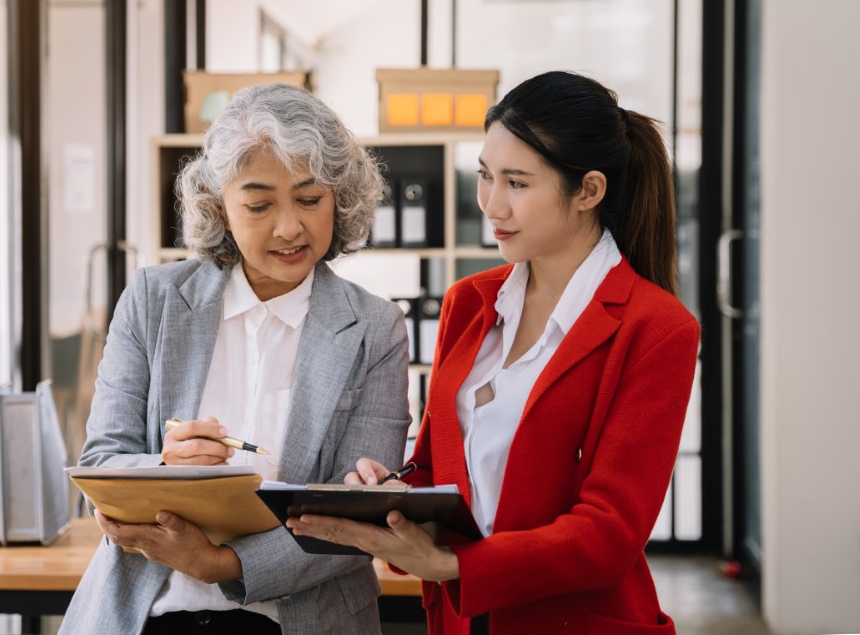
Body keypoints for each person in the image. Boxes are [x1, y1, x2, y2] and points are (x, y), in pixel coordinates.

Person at [287, 70, 701, 635]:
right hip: (461, 620)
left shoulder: (656, 328)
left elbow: (611, 532)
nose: (491, 204)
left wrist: (453, 566)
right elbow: (440, 467)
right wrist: (392, 493)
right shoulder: (470, 303)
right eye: (484, 176)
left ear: (589, 191)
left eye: (518, 183)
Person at [58, 82, 412, 635]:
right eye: (258, 204)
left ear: (340, 197)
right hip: (150, 615)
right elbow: (101, 463)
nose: (289, 226)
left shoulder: (375, 328)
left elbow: (357, 521)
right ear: (219, 205)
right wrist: (165, 469)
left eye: (310, 199)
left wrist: (220, 564)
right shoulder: (154, 301)